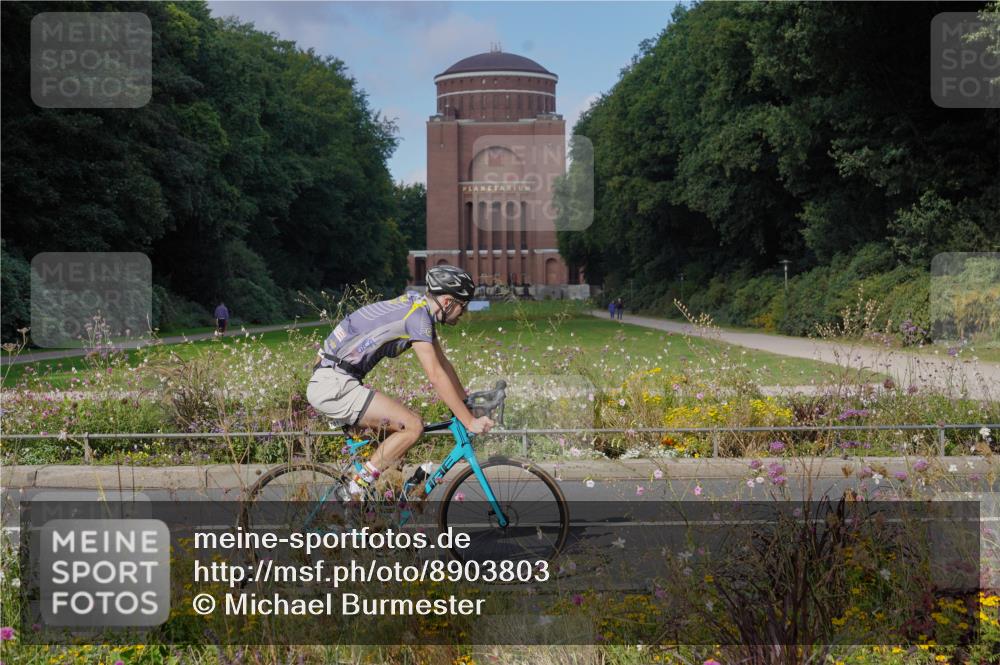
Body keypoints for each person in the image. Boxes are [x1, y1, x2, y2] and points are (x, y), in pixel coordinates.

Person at [306, 265, 494, 499]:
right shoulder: (417, 317)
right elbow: (435, 375)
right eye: (462, 306)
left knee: (397, 448)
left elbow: (443, 364)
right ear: (447, 303)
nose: (463, 313)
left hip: (335, 379)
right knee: (413, 426)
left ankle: (379, 519)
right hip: (334, 384)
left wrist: (466, 405)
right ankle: (354, 489)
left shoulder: (418, 308)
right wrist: (469, 421)